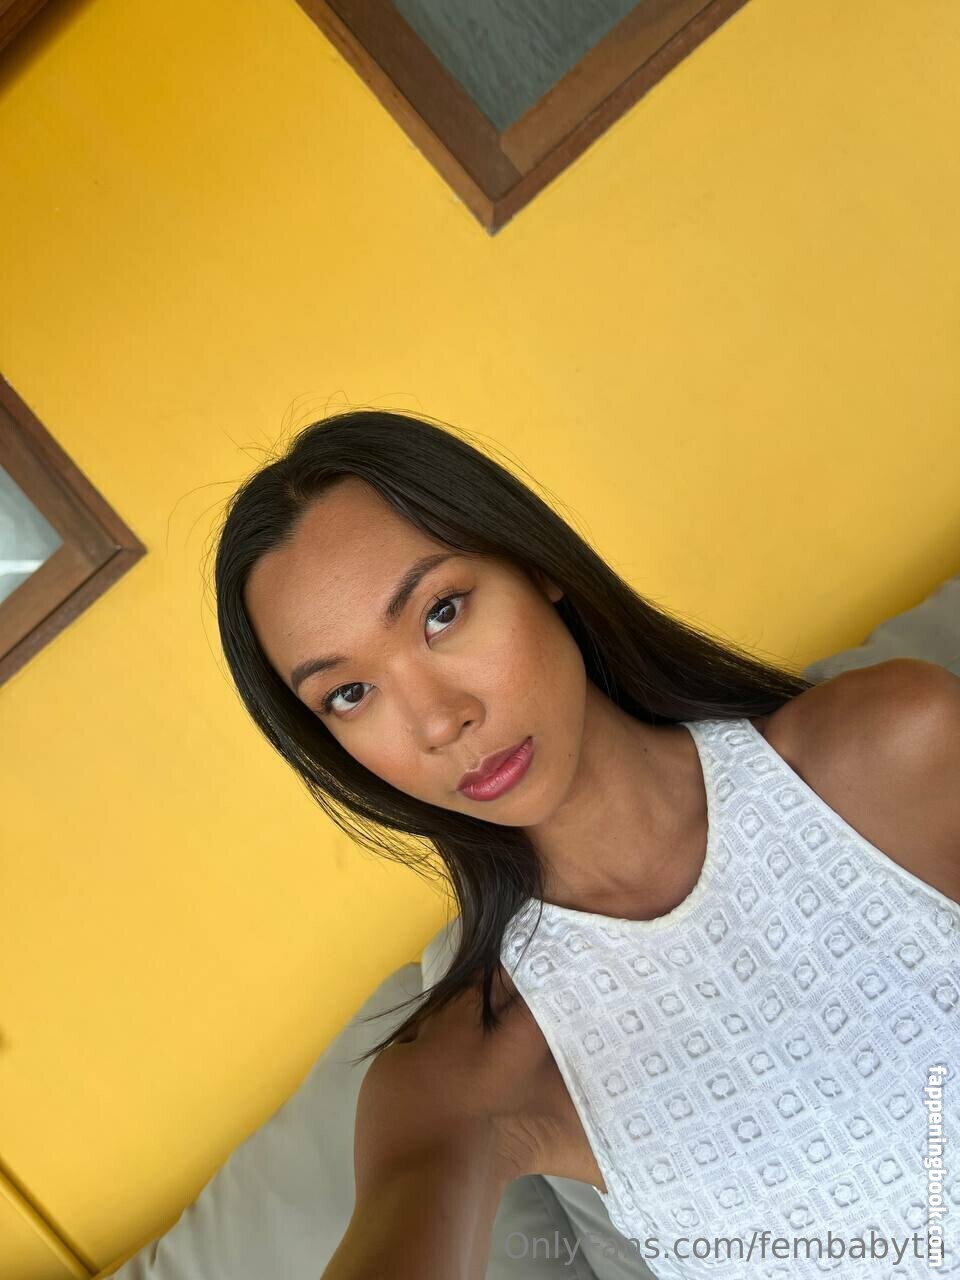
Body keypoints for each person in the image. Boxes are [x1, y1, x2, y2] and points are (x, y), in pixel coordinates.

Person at [213, 410, 959, 1279]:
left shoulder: (892, 750)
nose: (439, 721)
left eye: (442, 612)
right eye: (348, 694)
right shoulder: (466, 1067)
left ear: (536, 566)